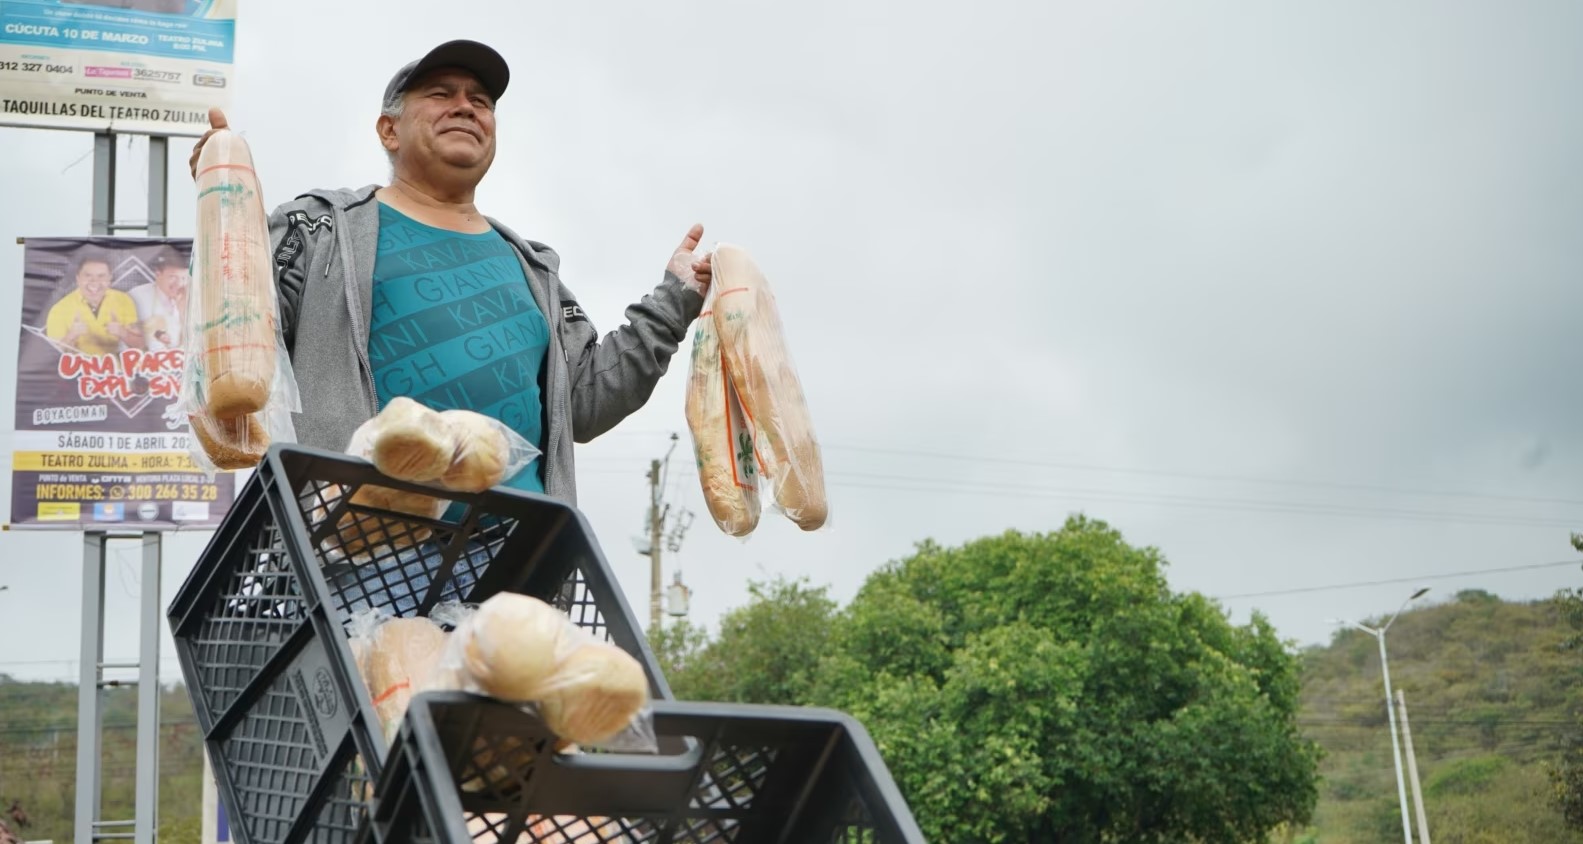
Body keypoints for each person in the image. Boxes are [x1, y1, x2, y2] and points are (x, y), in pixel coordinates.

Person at [189, 39, 711, 508]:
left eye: (480, 101)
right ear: (389, 130)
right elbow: (237, 344)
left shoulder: (532, 270)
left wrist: (674, 300)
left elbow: (588, 402)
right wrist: (226, 211)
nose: (465, 105)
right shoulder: (319, 229)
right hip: (356, 551)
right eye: (440, 94)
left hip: (514, 565)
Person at [44, 251, 143, 356]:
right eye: (88, 275)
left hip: (115, 369)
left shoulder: (124, 300)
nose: (94, 281)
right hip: (77, 370)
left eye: (101, 276)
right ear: (78, 279)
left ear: (110, 279)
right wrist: (71, 335)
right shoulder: (60, 309)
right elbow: (51, 358)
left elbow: (140, 345)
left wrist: (122, 332)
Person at [127, 246, 188, 352]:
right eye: (172, 277)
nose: (179, 284)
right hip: (147, 363)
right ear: (158, 274)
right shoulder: (137, 296)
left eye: (183, 278)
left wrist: (182, 312)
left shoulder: (190, 297)